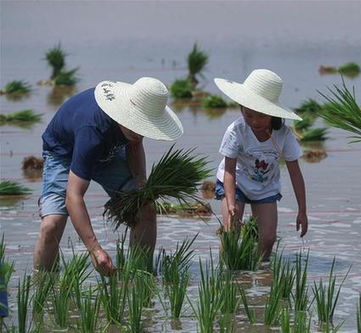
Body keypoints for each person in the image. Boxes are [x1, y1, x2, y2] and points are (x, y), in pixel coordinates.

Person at [33, 77, 184, 276]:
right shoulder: (93, 131)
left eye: (145, 127)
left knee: (145, 207)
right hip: (63, 153)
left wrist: (140, 183)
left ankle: (141, 278)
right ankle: (43, 286)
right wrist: (95, 249)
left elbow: (135, 145)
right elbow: (73, 197)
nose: (140, 132)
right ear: (126, 115)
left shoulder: (133, 126)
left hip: (106, 153)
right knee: (52, 224)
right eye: (137, 126)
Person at [213, 69, 308, 260]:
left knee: (268, 238)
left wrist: (302, 210)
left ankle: (259, 277)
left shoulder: (284, 135)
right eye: (249, 115)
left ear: (273, 114)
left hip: (265, 187)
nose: (255, 121)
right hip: (236, 184)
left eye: (262, 116)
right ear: (242, 109)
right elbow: (230, 171)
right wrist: (231, 202)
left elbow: (295, 173)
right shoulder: (236, 130)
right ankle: (229, 275)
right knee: (231, 234)